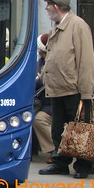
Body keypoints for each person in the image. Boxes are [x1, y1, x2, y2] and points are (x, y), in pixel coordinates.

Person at [38, 0, 94, 179]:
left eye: (48, 5)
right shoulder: (56, 27)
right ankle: (60, 162)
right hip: (56, 89)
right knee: (57, 130)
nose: (46, 9)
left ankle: (83, 165)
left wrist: (86, 92)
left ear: (56, 7)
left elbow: (86, 61)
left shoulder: (78, 25)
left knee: (79, 129)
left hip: (73, 89)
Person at [33, 33, 56, 162]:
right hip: (43, 102)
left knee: (39, 119)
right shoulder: (40, 61)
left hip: (51, 103)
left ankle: (55, 150)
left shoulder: (51, 62)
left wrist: (39, 79)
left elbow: (43, 81)